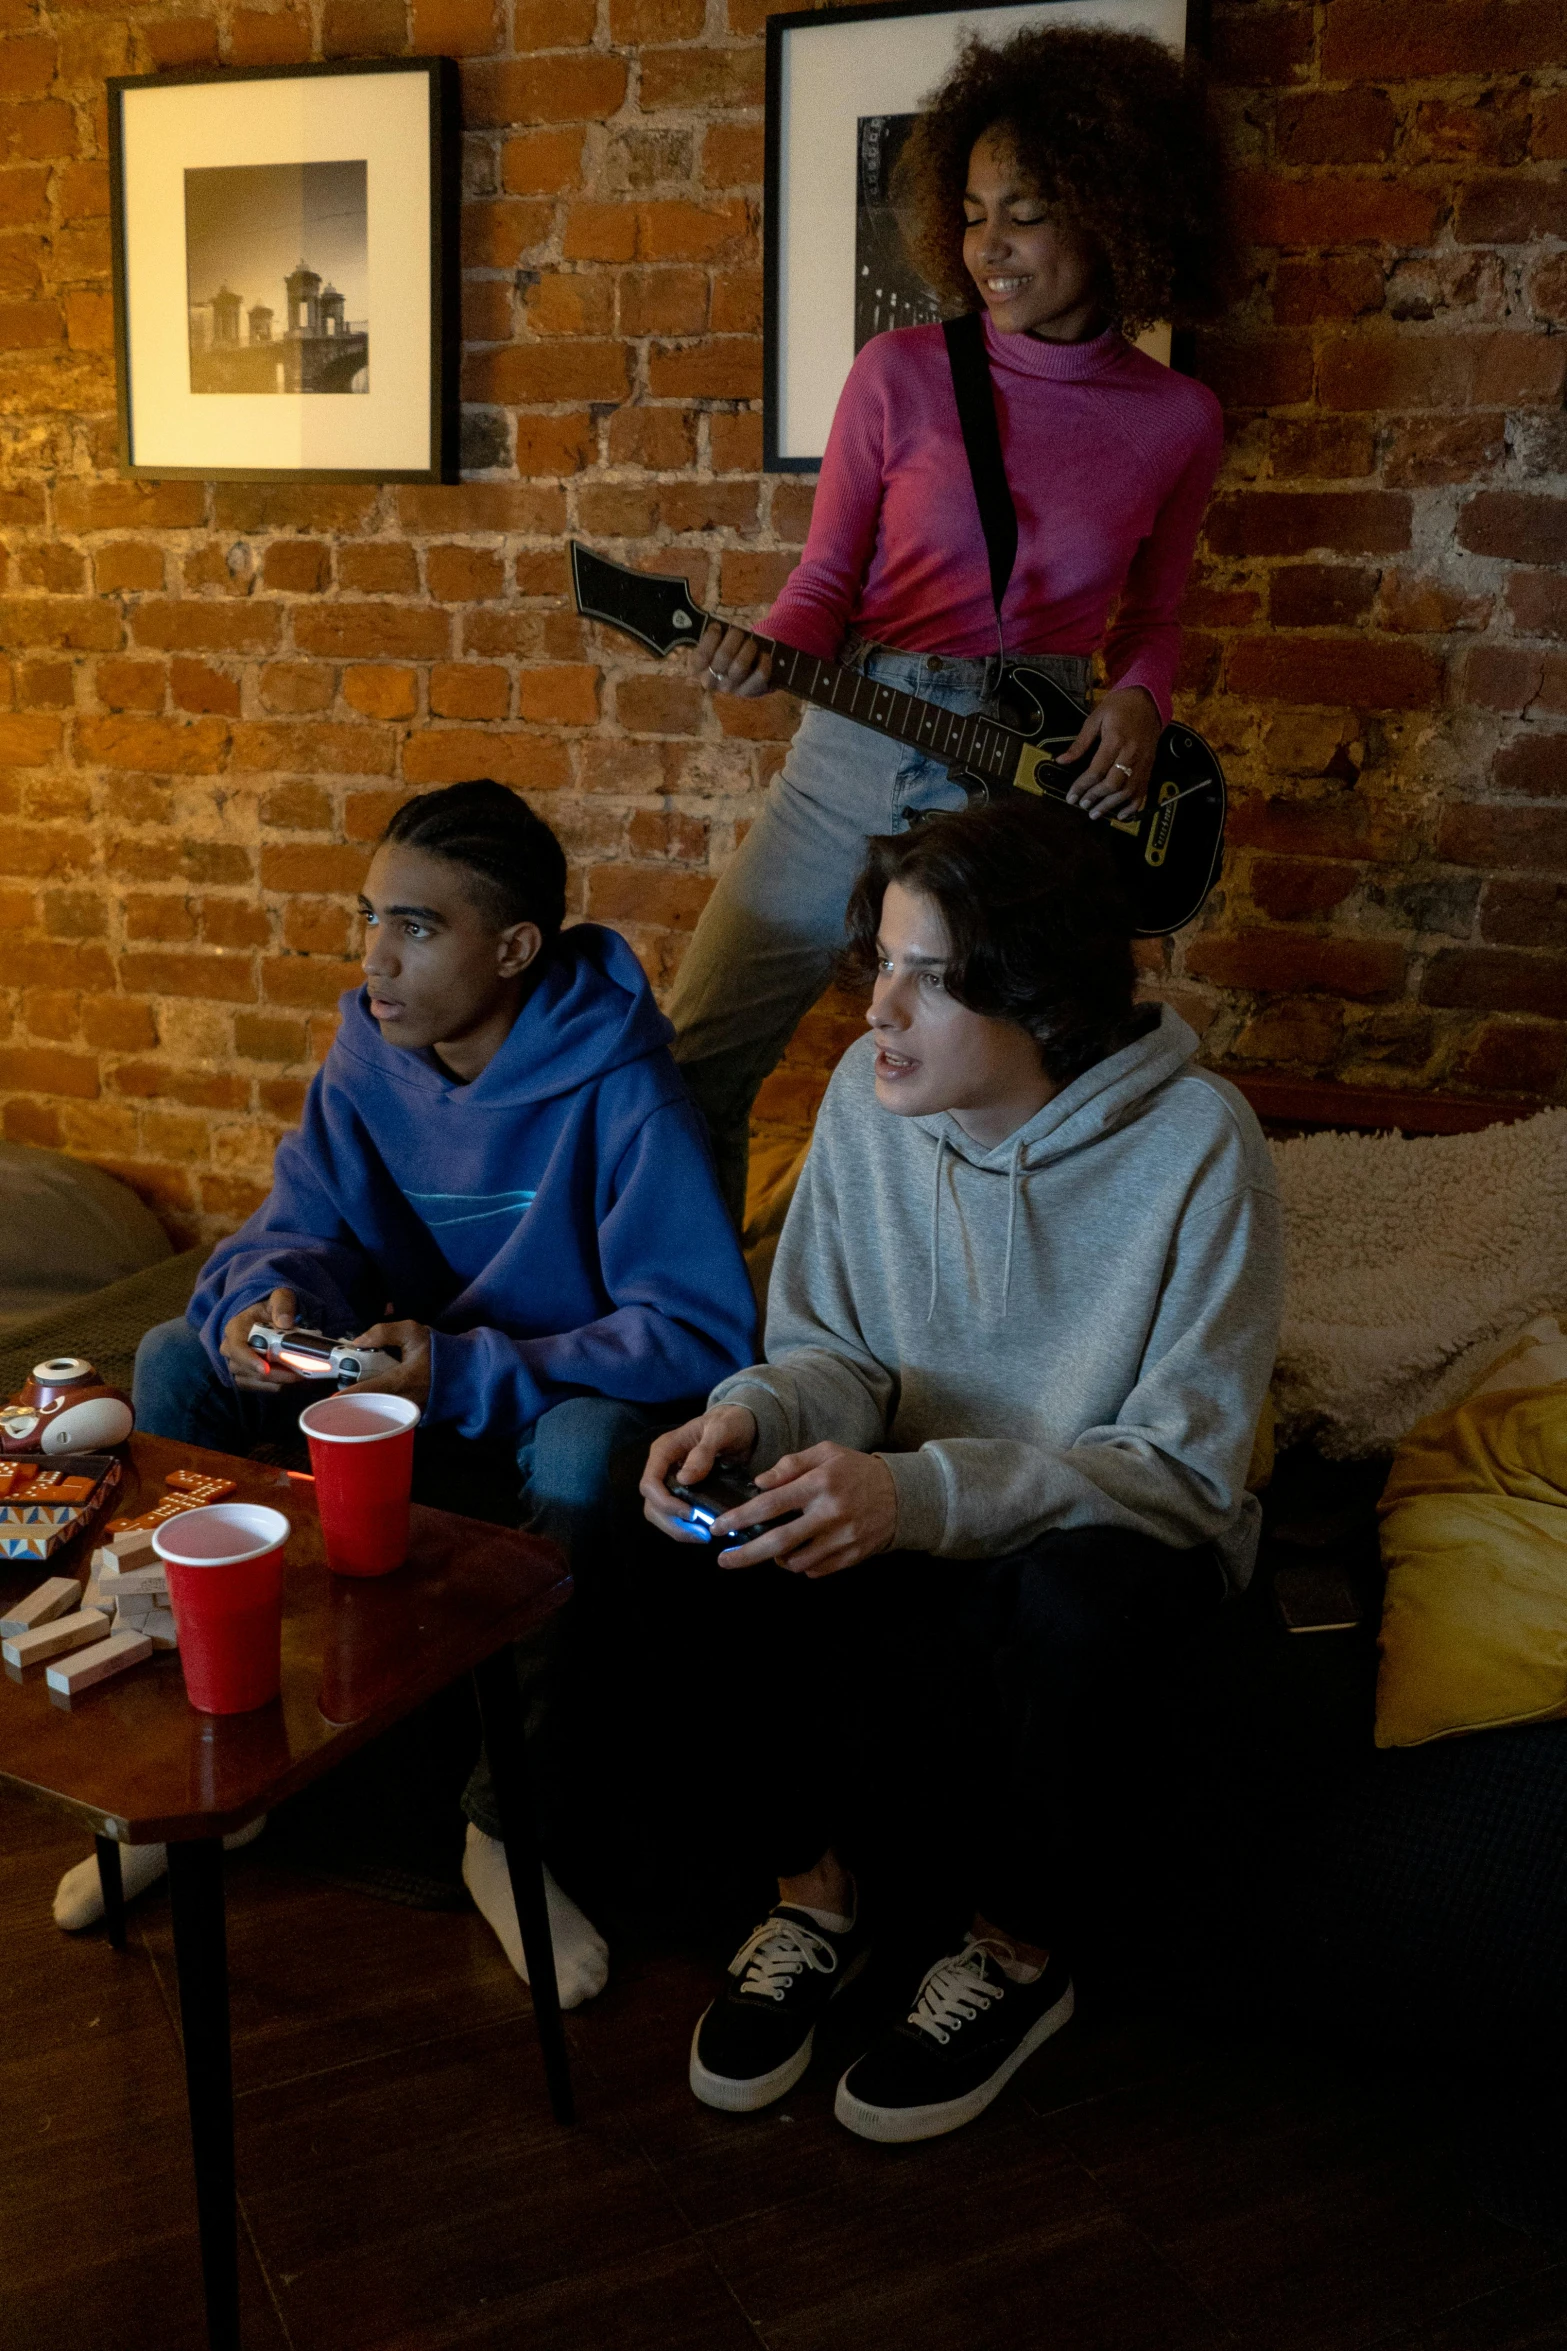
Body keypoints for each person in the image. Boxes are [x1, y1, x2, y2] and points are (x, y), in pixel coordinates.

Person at [642, 799, 1282, 2142]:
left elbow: (1179, 1471)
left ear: (1039, 991)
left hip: (1108, 1533)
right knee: (736, 1525)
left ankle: (1013, 1955)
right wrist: (751, 1416)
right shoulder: (862, 1109)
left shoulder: (1198, 1147)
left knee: (1075, 1600)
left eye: (926, 978)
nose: (878, 1008)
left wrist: (920, 1492)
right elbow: (833, 1352)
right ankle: (815, 1905)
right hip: (922, 1504)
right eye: (879, 961)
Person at [54, 781, 756, 2001]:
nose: (376, 956)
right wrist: (267, 1304)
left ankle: (504, 1829)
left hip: (535, 1408)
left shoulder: (623, 1083)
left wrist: (473, 1367)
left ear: (515, 947)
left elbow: (695, 1329)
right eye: (369, 916)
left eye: (418, 927)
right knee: (176, 1353)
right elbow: (296, 1229)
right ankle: (211, 1774)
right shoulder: (368, 1052)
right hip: (378, 1395)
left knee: (591, 1454)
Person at [668, 22, 1233, 1220]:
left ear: (1112, 209)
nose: (990, 248)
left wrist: (1137, 698)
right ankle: (702, 1347)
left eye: (1023, 212)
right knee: (693, 1062)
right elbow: (826, 579)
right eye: (972, 213)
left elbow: (1157, 610)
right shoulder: (900, 372)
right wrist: (766, 650)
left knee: (1000, 1094)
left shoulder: (1177, 416)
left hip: (1025, 785)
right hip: (852, 747)